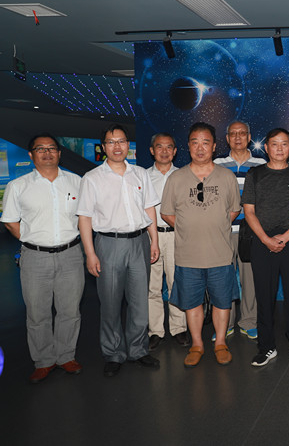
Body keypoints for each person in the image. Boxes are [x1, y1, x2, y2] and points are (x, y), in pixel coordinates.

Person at [77, 124, 161, 377]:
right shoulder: (92, 178)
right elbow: (84, 218)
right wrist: (90, 253)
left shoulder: (140, 174)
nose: (117, 146)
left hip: (139, 242)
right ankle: (113, 353)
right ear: (104, 147)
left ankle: (138, 349)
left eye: (121, 141)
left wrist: (154, 241)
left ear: (128, 145)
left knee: (139, 302)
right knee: (110, 303)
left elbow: (149, 209)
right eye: (111, 142)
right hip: (109, 244)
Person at [2, 134, 84, 383]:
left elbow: (84, 217)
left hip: (71, 255)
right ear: (31, 155)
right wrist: (32, 241)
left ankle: (66, 356)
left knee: (70, 310)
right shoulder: (18, 186)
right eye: (40, 149)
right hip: (34, 258)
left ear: (59, 153)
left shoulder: (76, 182)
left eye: (52, 148)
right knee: (37, 313)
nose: (47, 153)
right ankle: (44, 360)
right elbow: (10, 222)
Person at [161, 123, 241, 367]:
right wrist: (188, 227)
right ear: (188, 146)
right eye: (195, 142)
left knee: (222, 302)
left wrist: (215, 224)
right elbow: (167, 213)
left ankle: (221, 343)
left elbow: (234, 210)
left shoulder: (226, 177)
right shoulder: (176, 178)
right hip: (188, 255)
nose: (200, 147)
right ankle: (197, 344)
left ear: (214, 146)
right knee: (192, 303)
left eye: (205, 142)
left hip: (220, 253)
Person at [243, 128, 289, 367]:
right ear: (266, 148)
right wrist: (266, 239)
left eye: (284, 144)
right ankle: (266, 347)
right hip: (262, 242)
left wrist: (285, 237)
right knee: (264, 298)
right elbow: (249, 211)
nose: (280, 148)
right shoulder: (255, 174)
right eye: (275, 144)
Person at [213, 121, 266, 341]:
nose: (237, 137)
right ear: (227, 138)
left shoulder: (261, 163)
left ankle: (249, 322)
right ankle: (225, 324)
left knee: (250, 279)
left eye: (242, 133)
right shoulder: (217, 164)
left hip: (249, 232)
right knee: (223, 279)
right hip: (222, 231)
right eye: (233, 134)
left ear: (249, 137)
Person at [146, 132, 188, 351]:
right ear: (152, 150)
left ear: (175, 151)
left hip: (175, 235)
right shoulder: (143, 177)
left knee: (176, 283)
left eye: (169, 147)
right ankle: (155, 331)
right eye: (159, 147)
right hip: (150, 236)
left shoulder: (183, 176)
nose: (164, 151)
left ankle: (178, 328)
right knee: (152, 286)